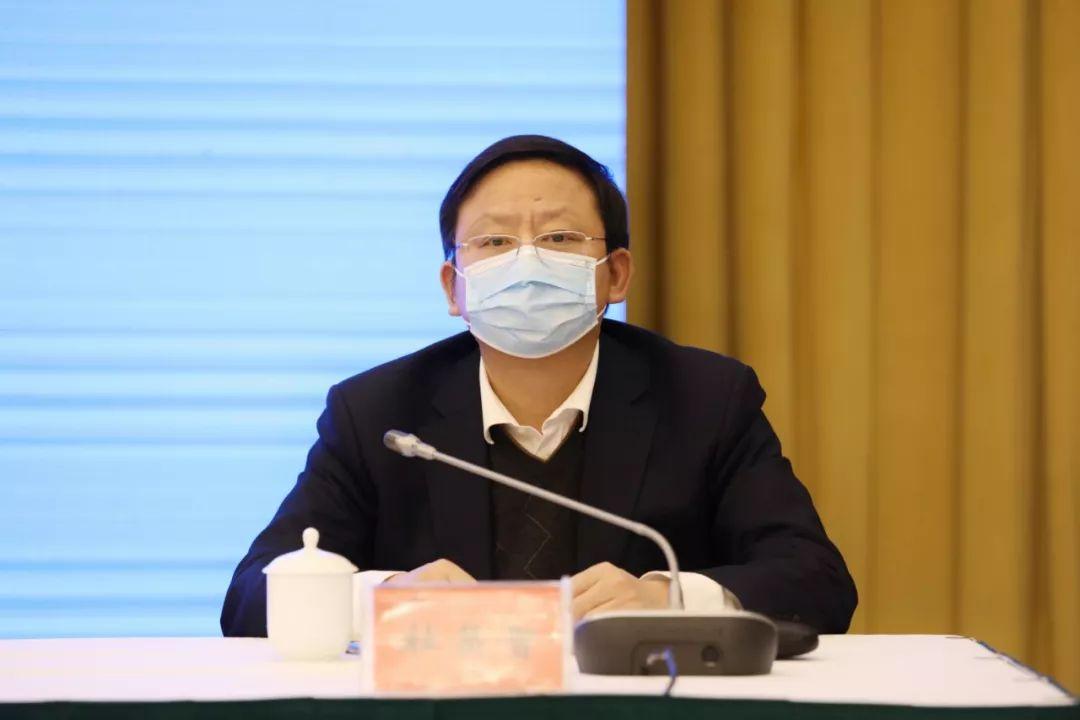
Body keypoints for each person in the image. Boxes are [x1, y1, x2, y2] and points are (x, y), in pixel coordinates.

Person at [221, 135, 857, 637]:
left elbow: (816, 582)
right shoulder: (378, 414)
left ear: (616, 274)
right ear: (453, 287)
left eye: (559, 238)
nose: (526, 262)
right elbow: (250, 597)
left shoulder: (705, 399)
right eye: (494, 241)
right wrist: (385, 598)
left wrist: (668, 597)